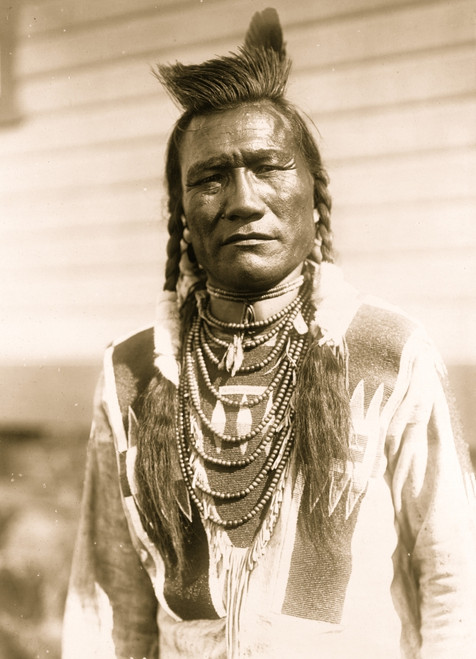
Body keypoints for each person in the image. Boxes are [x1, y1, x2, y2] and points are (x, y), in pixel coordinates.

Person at [62, 8, 476, 659]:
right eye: (210, 177)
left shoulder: (388, 353)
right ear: (182, 215)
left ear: (315, 197)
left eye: (268, 166)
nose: (243, 199)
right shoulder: (134, 374)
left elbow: (457, 587)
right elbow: (109, 602)